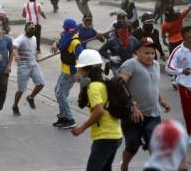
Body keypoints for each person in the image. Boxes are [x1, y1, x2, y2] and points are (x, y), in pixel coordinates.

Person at [118, 37, 171, 171]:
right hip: (132, 116)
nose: (150, 56)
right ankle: (124, 165)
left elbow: (153, 84)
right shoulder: (131, 65)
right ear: (137, 52)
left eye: (152, 53)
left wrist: (161, 100)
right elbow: (119, 85)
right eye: (146, 53)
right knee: (132, 146)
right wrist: (132, 106)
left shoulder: (157, 65)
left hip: (153, 114)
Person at [71, 49, 122, 171]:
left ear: (86, 69)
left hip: (105, 137)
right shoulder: (105, 81)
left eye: (80, 68)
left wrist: (82, 128)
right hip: (115, 135)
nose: (78, 71)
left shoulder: (93, 87)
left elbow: (99, 111)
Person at [51, 19, 83, 128]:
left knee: (61, 94)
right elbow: (59, 40)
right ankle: (63, 117)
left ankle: (70, 119)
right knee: (58, 92)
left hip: (71, 72)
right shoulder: (66, 36)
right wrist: (55, 45)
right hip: (64, 70)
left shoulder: (75, 42)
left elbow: (80, 58)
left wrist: (78, 73)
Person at [12, 22, 45, 115]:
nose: (32, 29)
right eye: (30, 28)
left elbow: (34, 51)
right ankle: (15, 105)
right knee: (21, 89)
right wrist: (16, 55)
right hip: (23, 66)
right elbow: (13, 47)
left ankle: (30, 97)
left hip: (33, 64)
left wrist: (36, 57)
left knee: (41, 83)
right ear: (25, 29)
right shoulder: (21, 39)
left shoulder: (34, 38)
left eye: (33, 28)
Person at [166, 26, 191, 136]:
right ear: (183, 36)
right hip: (185, 86)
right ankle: (190, 133)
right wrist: (181, 71)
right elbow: (168, 67)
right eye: (188, 33)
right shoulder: (178, 51)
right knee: (188, 112)